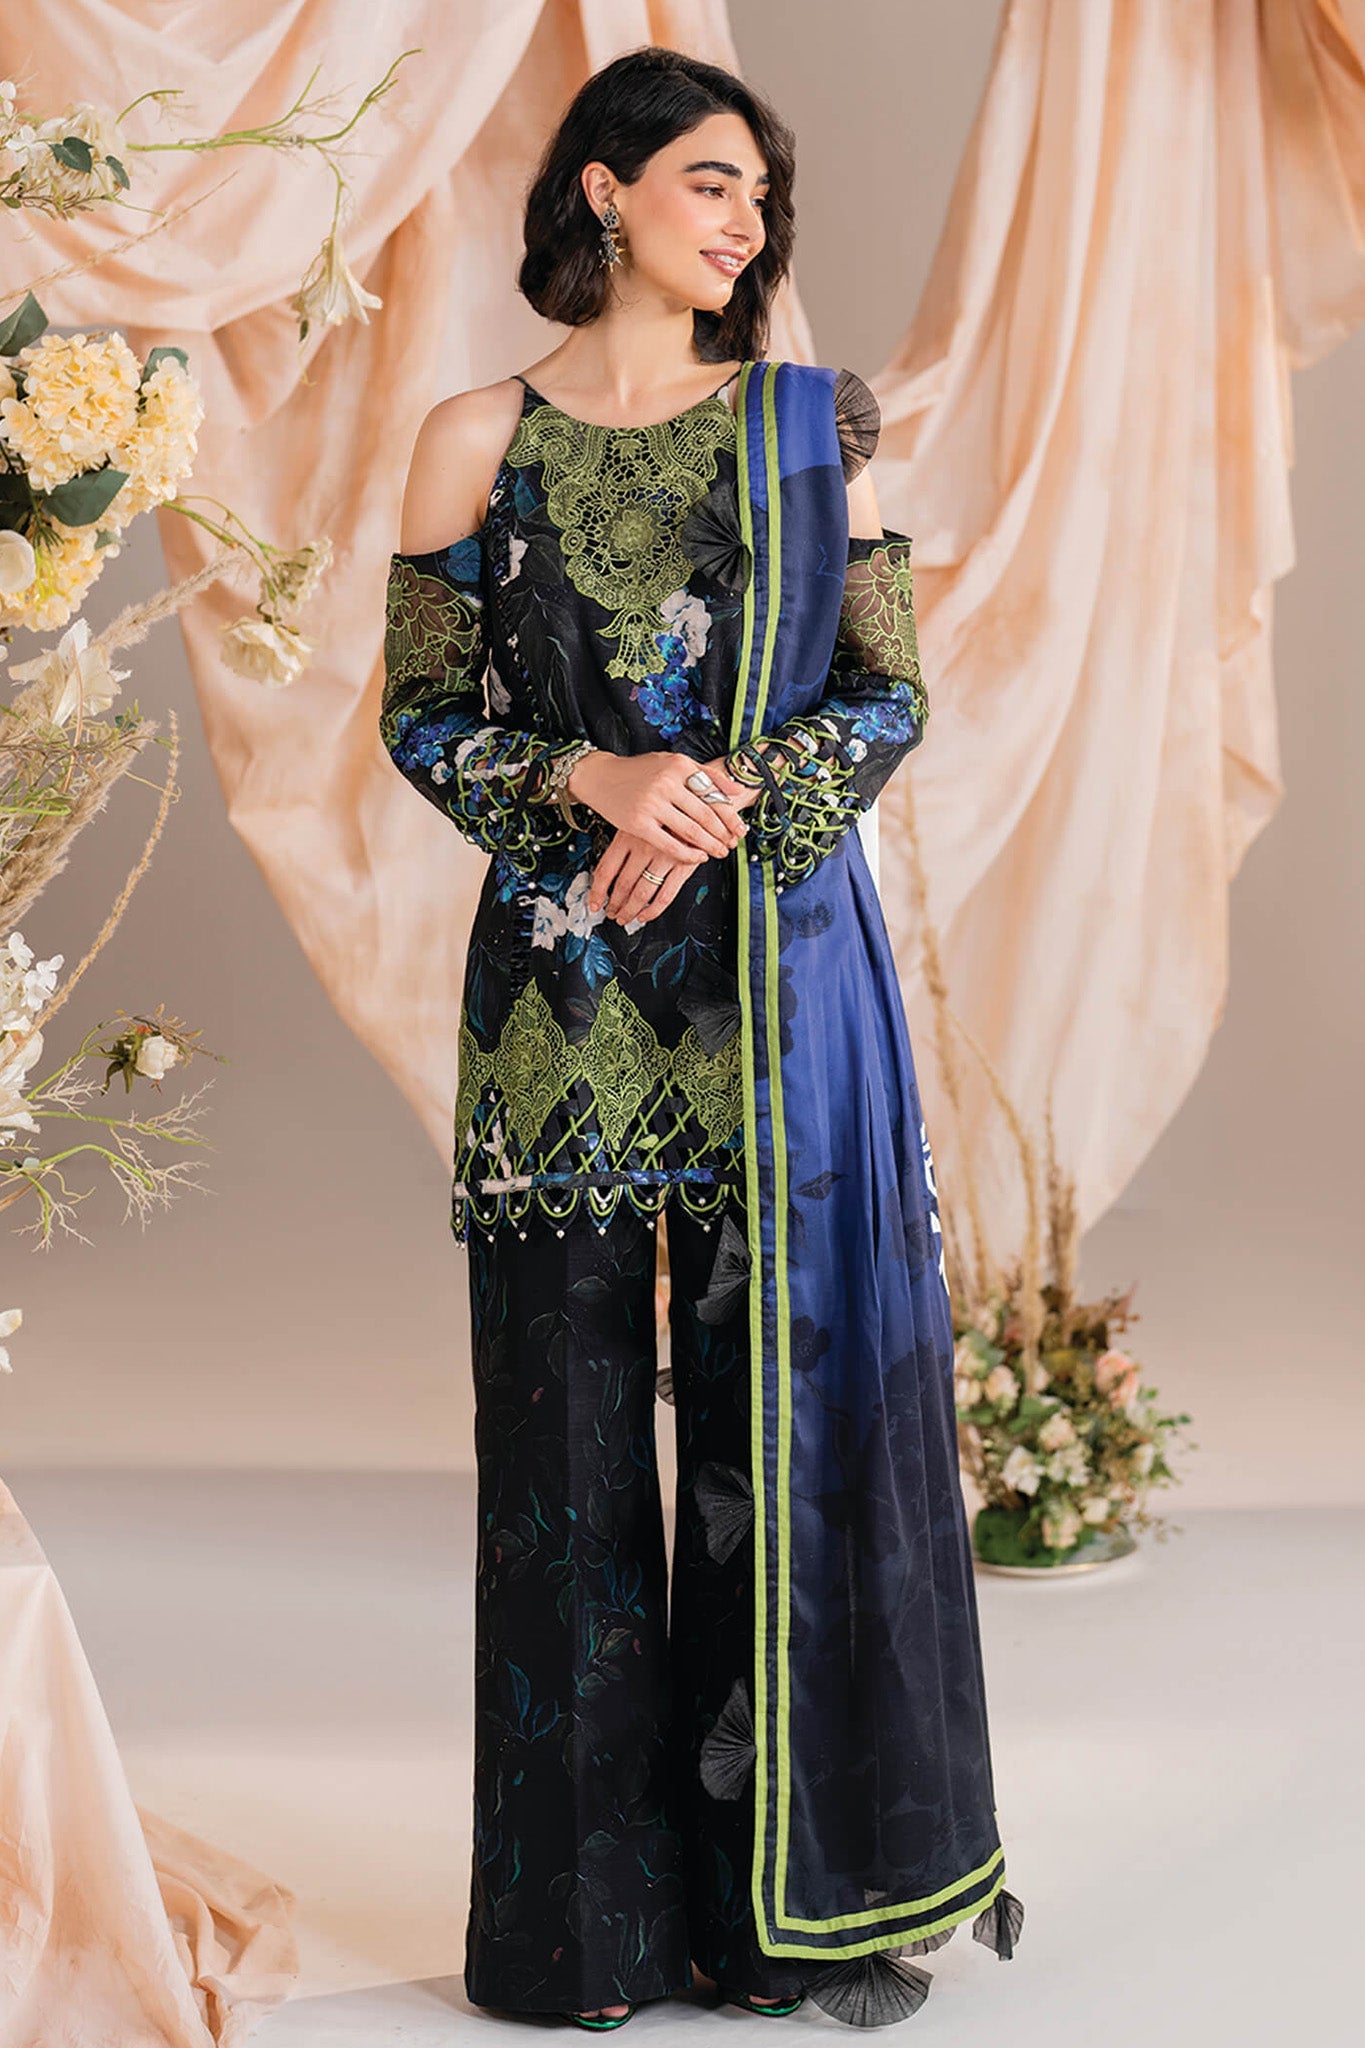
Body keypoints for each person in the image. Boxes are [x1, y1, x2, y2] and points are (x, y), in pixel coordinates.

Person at [381, 44, 1023, 2033]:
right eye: (709, 182)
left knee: (785, 1432)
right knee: (559, 1454)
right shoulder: (471, 435)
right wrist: (585, 774)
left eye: (759, 197)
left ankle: (778, 1921)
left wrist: (722, 801)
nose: (745, 224)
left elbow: (885, 693)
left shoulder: (812, 428)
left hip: (772, 986)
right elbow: (418, 714)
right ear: (602, 189)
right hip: (561, 1000)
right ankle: (575, 1938)